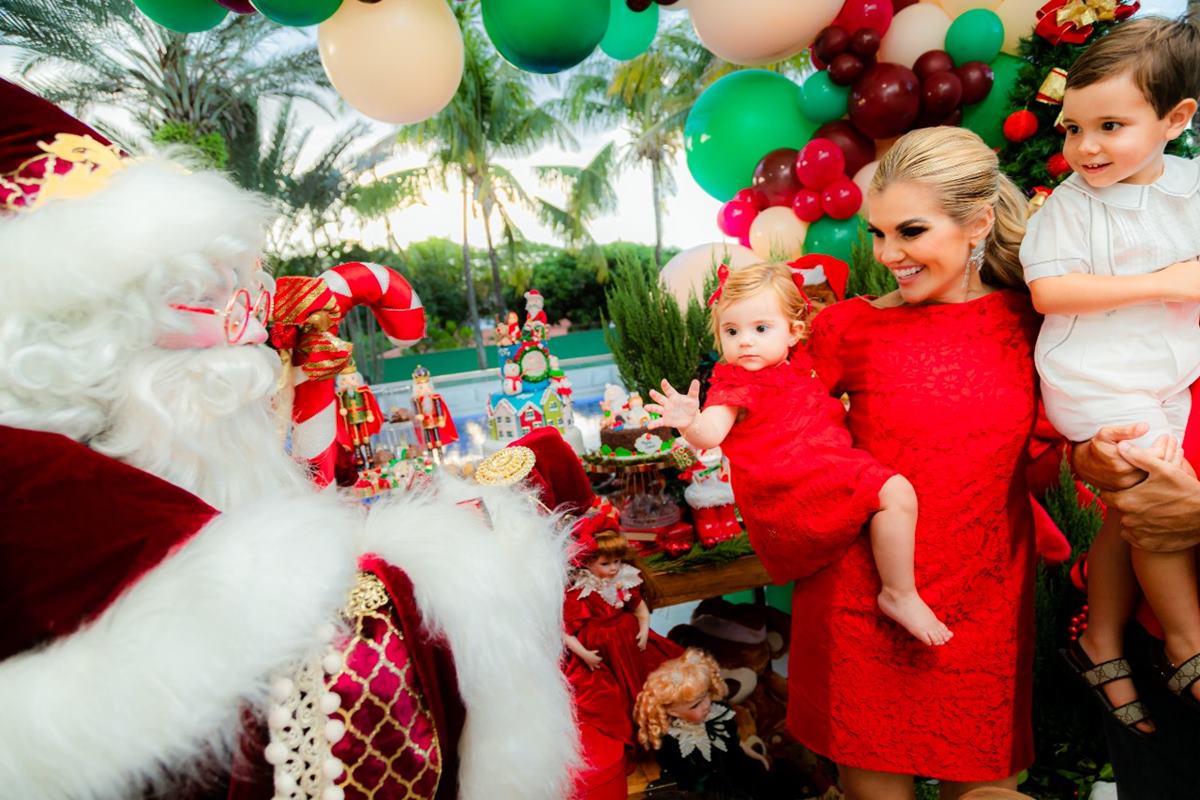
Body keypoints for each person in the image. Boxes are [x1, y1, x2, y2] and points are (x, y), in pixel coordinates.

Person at [0, 79, 576, 800]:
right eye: (204, 299)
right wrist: (474, 551)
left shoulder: (120, 446)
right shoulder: (42, 486)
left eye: (241, 291)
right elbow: (323, 689)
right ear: (79, 335)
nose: (245, 330)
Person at [792, 126, 1041, 800]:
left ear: (978, 223)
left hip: (984, 603)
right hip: (861, 603)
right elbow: (785, 444)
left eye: (909, 230)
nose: (887, 254)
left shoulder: (1035, 321)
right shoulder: (845, 327)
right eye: (878, 233)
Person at [1021, 10, 1200, 738]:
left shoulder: (1190, 187)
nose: (1084, 147)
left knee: (1132, 513)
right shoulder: (1068, 208)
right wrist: (1167, 282)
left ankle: (1098, 642)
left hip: (1167, 370)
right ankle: (1189, 640)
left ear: (1175, 119)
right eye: (1071, 128)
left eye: (1109, 126)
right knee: (1157, 491)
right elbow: (1051, 293)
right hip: (1093, 374)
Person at [647, 261, 951, 646]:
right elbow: (711, 433)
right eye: (731, 330)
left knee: (893, 495)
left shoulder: (800, 365)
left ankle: (895, 586)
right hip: (793, 493)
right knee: (897, 492)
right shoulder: (735, 385)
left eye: (760, 329)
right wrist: (688, 421)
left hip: (823, 469)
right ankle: (899, 593)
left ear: (794, 332)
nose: (744, 341)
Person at [563, 517, 683, 713]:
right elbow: (566, 631)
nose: (614, 568)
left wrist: (644, 629)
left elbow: (639, 606)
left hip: (628, 637)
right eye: (606, 563)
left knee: (647, 674)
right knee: (610, 692)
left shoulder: (623, 579)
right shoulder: (581, 591)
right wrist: (584, 654)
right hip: (600, 646)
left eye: (617, 561)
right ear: (587, 564)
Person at [633, 647, 777, 800]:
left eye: (705, 696)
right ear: (673, 712)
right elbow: (685, 779)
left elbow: (732, 741)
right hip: (705, 790)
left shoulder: (719, 713)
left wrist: (751, 753)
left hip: (735, 773)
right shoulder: (672, 741)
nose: (706, 705)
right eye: (695, 705)